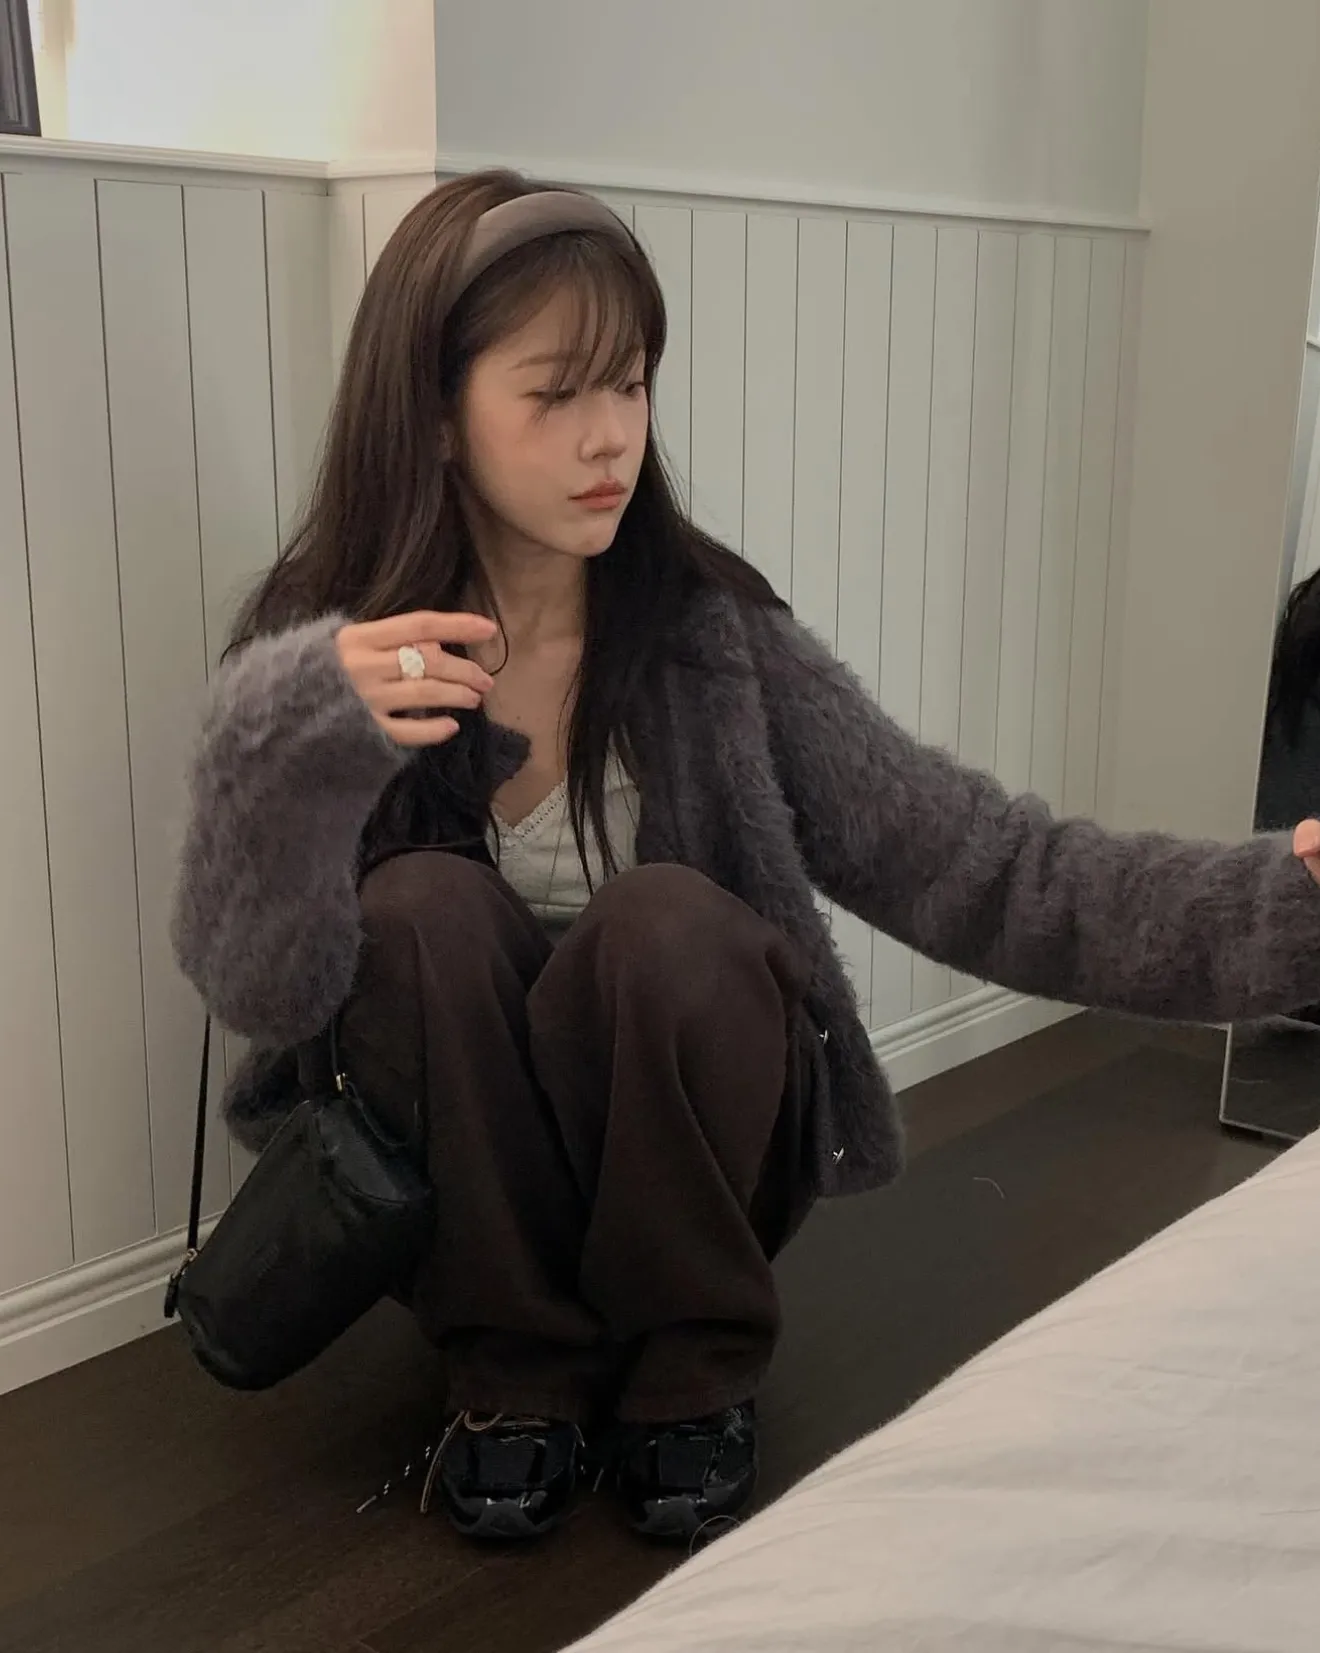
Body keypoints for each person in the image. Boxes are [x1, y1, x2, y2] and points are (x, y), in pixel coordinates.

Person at [172, 170, 1320, 1545]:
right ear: (433, 415)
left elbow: (983, 865)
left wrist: (1287, 903)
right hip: (463, 1202)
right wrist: (286, 735)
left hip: (696, 1174)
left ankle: (693, 1369)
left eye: (631, 383)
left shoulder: (710, 637)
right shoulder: (330, 651)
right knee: (419, 912)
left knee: (667, 922)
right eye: (556, 393)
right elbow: (265, 994)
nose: (612, 435)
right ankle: (511, 1373)